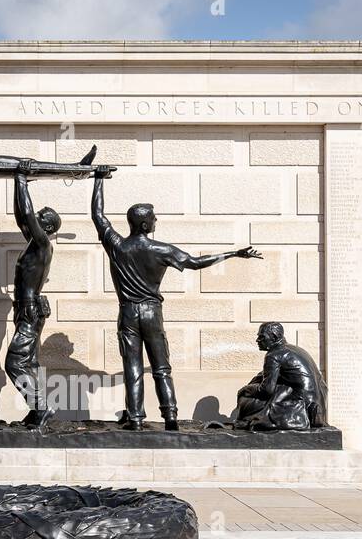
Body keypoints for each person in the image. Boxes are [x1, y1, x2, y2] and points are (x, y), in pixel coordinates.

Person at [92, 167, 261, 431]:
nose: (157, 221)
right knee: (161, 366)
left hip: (127, 313)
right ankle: (170, 417)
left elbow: (98, 216)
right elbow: (196, 263)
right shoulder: (161, 250)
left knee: (133, 369)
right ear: (146, 224)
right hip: (151, 313)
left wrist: (98, 180)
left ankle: (136, 419)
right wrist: (232, 254)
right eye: (154, 218)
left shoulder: (118, 246)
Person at [4, 159, 61, 429]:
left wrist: (22, 179)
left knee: (14, 363)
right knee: (29, 362)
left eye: (39, 219)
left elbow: (27, 216)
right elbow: (21, 216)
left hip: (29, 309)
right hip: (25, 308)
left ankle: (41, 406)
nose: (33, 220)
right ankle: (36, 412)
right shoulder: (35, 243)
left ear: (47, 228)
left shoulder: (42, 244)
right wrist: (18, 181)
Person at [234, 322, 329, 431]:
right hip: (317, 405)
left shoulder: (273, 355)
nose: (257, 340)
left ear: (273, 337)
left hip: (301, 407)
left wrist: (245, 389)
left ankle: (247, 421)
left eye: (261, 337)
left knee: (246, 401)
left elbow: (266, 390)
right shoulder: (296, 349)